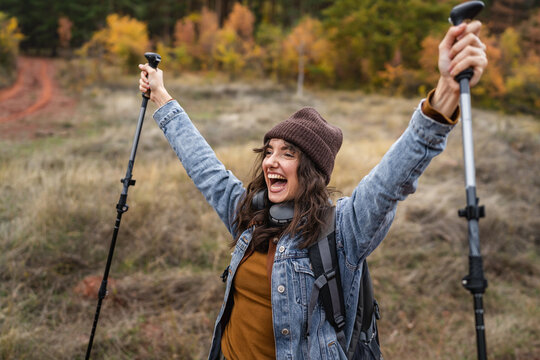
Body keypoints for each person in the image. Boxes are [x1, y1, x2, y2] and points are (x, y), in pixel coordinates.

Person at [138, 20, 487, 360]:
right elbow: (204, 168)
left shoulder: (342, 231)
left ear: (312, 172)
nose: (271, 162)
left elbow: (390, 182)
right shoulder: (250, 213)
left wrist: (445, 94)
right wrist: (161, 97)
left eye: (287, 154)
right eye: (269, 151)